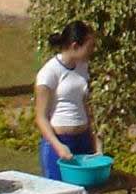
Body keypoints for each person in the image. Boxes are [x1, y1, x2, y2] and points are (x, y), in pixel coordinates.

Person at [34, 22, 99, 179]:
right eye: (89, 47)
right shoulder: (49, 73)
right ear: (75, 46)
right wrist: (58, 146)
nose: (92, 51)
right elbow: (41, 117)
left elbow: (85, 104)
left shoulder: (82, 67)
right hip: (60, 142)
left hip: (82, 139)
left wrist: (95, 139)